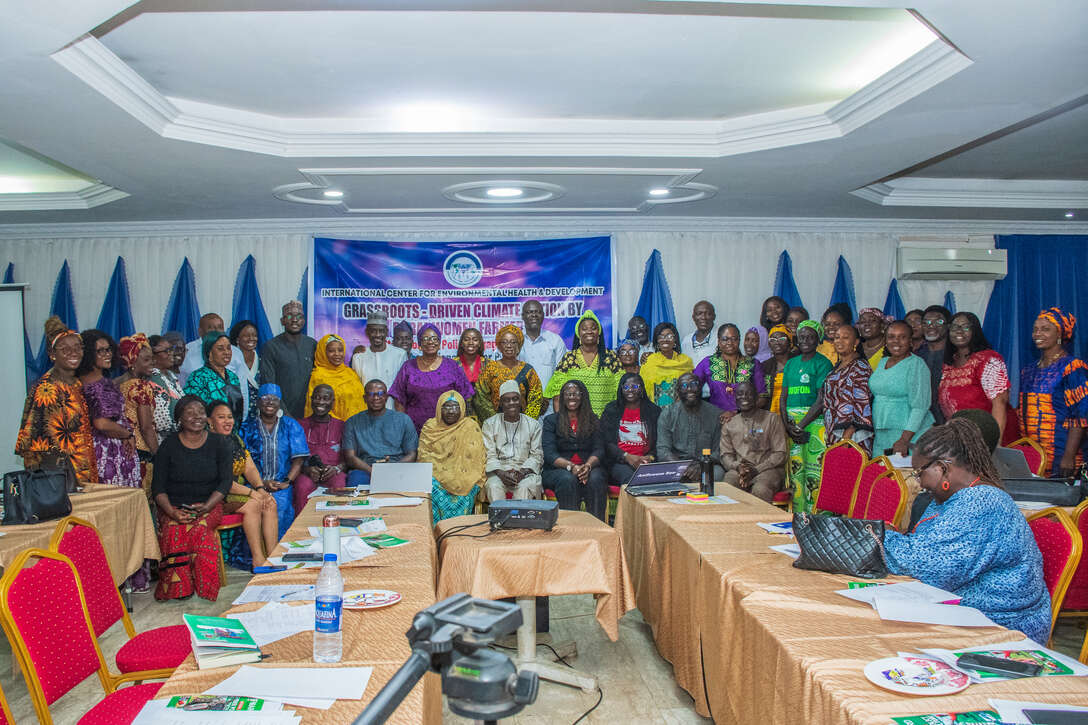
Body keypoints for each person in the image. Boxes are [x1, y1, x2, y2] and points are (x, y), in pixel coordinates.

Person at [883, 419, 1051, 645]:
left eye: (920, 472)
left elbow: (929, 567)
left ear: (943, 468)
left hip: (1003, 625)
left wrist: (878, 535)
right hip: (966, 611)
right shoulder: (947, 498)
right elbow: (924, 551)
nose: (919, 482)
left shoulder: (982, 502)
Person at [151, 395, 232, 601]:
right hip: (174, 506)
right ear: (179, 418)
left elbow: (225, 483)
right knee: (173, 529)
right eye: (190, 413)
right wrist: (172, 512)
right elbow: (158, 488)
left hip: (209, 504)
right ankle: (179, 589)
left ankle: (206, 589)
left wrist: (206, 507)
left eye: (201, 412)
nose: (197, 417)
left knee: (201, 529)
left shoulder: (219, 443)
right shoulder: (168, 446)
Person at [16, 316, 97, 482]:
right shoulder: (48, 390)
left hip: (83, 474)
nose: (73, 352)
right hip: (63, 481)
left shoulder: (75, 384)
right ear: (52, 354)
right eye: (64, 349)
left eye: (77, 347)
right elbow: (46, 448)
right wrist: (63, 484)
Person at [206, 400, 278, 569]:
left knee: (270, 502)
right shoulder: (208, 443)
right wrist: (253, 493)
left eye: (230, 417)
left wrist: (260, 488)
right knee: (253, 504)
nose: (227, 421)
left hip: (236, 491)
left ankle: (274, 556)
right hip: (215, 495)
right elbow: (223, 482)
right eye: (221, 417)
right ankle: (258, 560)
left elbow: (249, 466)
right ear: (210, 421)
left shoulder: (234, 438)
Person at [1020, 307, 1088, 477]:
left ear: (1060, 334)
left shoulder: (1073, 368)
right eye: (1035, 329)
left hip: (1062, 454)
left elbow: (1080, 416)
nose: (1037, 334)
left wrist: (1069, 456)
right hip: (1032, 456)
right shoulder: (1028, 370)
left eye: (1045, 329)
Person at [239, 384, 310, 538]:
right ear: (257, 402)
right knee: (255, 506)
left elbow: (298, 459)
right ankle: (252, 557)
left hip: (281, 483)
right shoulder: (246, 427)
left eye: (274, 399)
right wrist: (261, 484)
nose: (270, 402)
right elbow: (242, 462)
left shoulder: (291, 425)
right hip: (252, 485)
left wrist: (287, 481)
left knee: (281, 503)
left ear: (279, 403)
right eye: (265, 398)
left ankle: (279, 551)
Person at [780, 320, 833, 513]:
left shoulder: (824, 363)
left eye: (811, 336)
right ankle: (798, 517)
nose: (806, 340)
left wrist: (800, 426)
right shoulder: (791, 364)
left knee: (814, 474)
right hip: (793, 425)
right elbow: (783, 397)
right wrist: (788, 426)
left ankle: (815, 518)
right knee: (796, 473)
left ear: (818, 339)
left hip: (813, 423)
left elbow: (821, 400)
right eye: (802, 336)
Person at [79, 329, 140, 487]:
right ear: (87, 355)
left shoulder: (83, 381)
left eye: (108, 349)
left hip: (98, 449)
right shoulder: (98, 384)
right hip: (109, 450)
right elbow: (102, 423)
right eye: (100, 351)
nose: (107, 354)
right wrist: (127, 435)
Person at [389, 324, 475, 432]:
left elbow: (464, 398)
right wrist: (404, 427)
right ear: (419, 344)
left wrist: (459, 427)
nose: (430, 342)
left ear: (439, 344)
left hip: (448, 430)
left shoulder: (452, 366)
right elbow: (399, 400)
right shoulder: (408, 367)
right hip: (414, 431)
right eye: (425, 339)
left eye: (434, 338)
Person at [938, 312, 1011, 439]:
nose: (959, 331)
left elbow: (1000, 402)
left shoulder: (988, 359)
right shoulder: (949, 363)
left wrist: (996, 444)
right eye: (954, 327)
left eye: (966, 327)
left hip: (988, 436)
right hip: (962, 437)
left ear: (975, 331)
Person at [542, 380, 608, 521]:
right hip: (558, 470)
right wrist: (571, 466)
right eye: (568, 393)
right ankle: (570, 528)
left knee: (596, 478)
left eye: (576, 393)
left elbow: (599, 449)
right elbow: (549, 453)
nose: (572, 397)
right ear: (562, 397)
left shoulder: (593, 419)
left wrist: (588, 466)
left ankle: (597, 527)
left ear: (582, 396)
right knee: (568, 479)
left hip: (588, 466)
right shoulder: (551, 421)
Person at [419, 391, 486, 524]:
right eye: (447, 407)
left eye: (455, 407)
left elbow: (476, 458)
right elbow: (424, 456)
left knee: (468, 488)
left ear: (462, 408)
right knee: (430, 487)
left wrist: (457, 478)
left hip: (465, 477)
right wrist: (445, 476)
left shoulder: (470, 426)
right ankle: (436, 534)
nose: (451, 411)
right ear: (439, 409)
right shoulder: (430, 427)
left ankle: (458, 534)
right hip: (437, 478)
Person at [869, 320, 934, 456]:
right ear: (885, 340)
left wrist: (904, 440)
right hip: (882, 433)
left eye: (902, 337)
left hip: (909, 434)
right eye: (891, 337)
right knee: (880, 474)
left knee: (905, 476)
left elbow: (920, 407)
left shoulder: (917, 364)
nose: (896, 341)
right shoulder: (882, 362)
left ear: (910, 341)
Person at [544, 310, 622, 416]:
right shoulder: (569, 358)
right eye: (584, 329)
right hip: (575, 424)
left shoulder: (611, 357)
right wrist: (561, 421)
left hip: (605, 423)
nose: (589, 331)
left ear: (598, 332)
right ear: (578, 334)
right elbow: (558, 395)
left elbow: (621, 392)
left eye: (593, 328)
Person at [342, 380, 419, 486]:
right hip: (366, 470)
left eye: (380, 394)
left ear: (387, 397)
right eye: (371, 394)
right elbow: (350, 457)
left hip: (397, 468)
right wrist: (373, 472)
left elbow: (412, 454)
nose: (376, 398)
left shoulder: (403, 420)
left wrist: (392, 469)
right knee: (355, 481)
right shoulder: (352, 422)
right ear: (364, 398)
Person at [720, 381, 787, 502]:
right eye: (740, 394)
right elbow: (726, 455)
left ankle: (760, 521)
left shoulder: (772, 419)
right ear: (735, 398)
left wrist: (756, 470)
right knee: (727, 486)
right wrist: (738, 467)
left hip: (768, 469)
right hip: (740, 470)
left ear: (756, 397)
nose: (744, 397)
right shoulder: (730, 424)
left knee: (761, 489)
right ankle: (732, 520)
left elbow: (780, 454)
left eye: (749, 394)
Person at [481, 381, 543, 501]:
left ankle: (519, 520)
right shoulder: (489, 424)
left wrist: (522, 472)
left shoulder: (533, 425)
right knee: (494, 486)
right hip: (498, 472)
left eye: (515, 399)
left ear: (520, 401)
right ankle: (498, 519)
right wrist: (501, 473)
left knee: (524, 487)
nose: (511, 403)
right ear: (501, 403)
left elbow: (537, 455)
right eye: (507, 400)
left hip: (526, 472)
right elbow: (489, 454)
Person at [116, 334, 162, 494]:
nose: (152, 364)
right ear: (132, 362)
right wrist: (158, 455)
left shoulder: (116, 383)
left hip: (121, 450)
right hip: (142, 451)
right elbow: (146, 427)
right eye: (147, 360)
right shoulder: (141, 387)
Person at [657, 372, 724, 481]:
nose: (690, 389)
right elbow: (663, 450)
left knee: (718, 474)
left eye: (694, 384)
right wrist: (682, 467)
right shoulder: (668, 414)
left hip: (705, 463)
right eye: (684, 386)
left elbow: (719, 451)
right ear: (678, 391)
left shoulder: (715, 414)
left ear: (701, 387)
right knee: (660, 474)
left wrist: (702, 465)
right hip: (676, 464)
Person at [819, 324, 874, 454]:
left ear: (856, 342)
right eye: (837, 337)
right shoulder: (839, 365)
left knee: (851, 472)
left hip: (852, 437)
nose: (840, 341)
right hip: (834, 433)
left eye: (845, 338)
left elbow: (861, 404)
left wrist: (846, 438)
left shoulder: (860, 367)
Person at [600, 372, 660, 487]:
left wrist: (650, 457)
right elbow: (606, 442)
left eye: (635, 386)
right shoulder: (611, 410)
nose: (630, 390)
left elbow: (659, 442)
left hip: (646, 461)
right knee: (630, 479)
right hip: (619, 461)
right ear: (621, 389)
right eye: (626, 387)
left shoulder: (653, 411)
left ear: (641, 389)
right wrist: (626, 456)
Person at [258, 301, 317, 420]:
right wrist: (283, 413)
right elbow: (269, 384)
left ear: (304, 321)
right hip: (281, 415)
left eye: (299, 316)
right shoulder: (271, 347)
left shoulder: (312, 345)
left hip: (310, 415)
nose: (294, 320)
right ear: (282, 321)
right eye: (289, 316)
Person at [693, 323, 767, 416]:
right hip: (716, 419)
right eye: (725, 339)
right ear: (719, 342)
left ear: (739, 340)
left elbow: (763, 397)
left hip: (746, 419)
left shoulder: (753, 363)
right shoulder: (707, 363)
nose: (730, 342)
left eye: (734, 339)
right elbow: (692, 386)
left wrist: (739, 412)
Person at [475, 325, 544, 420]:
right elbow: (481, 396)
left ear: (518, 345)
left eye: (513, 342)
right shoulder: (490, 368)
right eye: (504, 342)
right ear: (499, 346)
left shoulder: (528, 370)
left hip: (522, 424)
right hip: (496, 425)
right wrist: (495, 421)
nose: (509, 345)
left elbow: (536, 397)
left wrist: (527, 422)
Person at [296, 384, 347, 512]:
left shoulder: (342, 425)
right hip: (307, 472)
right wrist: (307, 469)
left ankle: (337, 525)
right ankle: (302, 528)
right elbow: (292, 457)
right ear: (311, 399)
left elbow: (349, 458)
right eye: (317, 398)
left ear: (333, 402)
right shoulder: (299, 425)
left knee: (339, 485)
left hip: (333, 472)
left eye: (326, 398)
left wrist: (337, 468)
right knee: (303, 486)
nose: (321, 402)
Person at [349, 311, 406, 410]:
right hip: (366, 414)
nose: (377, 335)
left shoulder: (399, 355)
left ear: (387, 332)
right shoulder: (359, 357)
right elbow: (357, 389)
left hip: (392, 412)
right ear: (367, 332)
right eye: (373, 331)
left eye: (381, 331)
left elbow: (402, 389)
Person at [179, 313, 248, 392]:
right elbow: (181, 383)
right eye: (210, 328)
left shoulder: (235, 352)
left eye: (220, 327)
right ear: (200, 331)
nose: (216, 331)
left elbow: (242, 388)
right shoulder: (187, 351)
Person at [184, 332, 244, 423]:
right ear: (209, 353)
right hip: (208, 433)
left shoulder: (233, 377)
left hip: (232, 431)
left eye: (228, 348)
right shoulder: (198, 377)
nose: (227, 352)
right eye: (220, 349)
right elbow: (192, 411)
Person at [519, 300, 567, 413]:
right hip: (520, 406)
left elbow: (561, 375)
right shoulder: (514, 341)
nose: (534, 315)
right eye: (529, 312)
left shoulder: (555, 341)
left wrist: (546, 397)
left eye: (538, 312)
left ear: (543, 316)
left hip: (549, 407)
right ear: (522, 316)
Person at [305, 334, 367, 421]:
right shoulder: (318, 376)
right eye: (331, 351)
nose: (337, 354)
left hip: (358, 426)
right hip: (334, 429)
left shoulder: (350, 373)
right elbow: (317, 408)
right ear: (323, 352)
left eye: (340, 350)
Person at [638, 322, 694, 406]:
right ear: (656, 341)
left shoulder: (685, 361)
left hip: (680, 410)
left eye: (669, 336)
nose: (665, 339)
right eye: (661, 336)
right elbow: (642, 390)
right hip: (655, 410)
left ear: (675, 340)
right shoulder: (649, 361)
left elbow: (690, 388)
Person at [918, 305, 952, 425]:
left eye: (939, 321)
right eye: (926, 322)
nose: (931, 325)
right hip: (923, 422)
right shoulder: (917, 356)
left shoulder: (955, 356)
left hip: (951, 421)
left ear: (948, 326)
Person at [149, 334, 183, 443]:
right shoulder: (153, 379)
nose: (172, 354)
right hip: (166, 441)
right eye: (166, 351)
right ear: (152, 356)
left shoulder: (171, 376)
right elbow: (162, 422)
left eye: (171, 349)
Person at [229, 320, 261, 423]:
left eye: (254, 335)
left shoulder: (262, 360)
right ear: (237, 339)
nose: (251, 339)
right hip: (236, 415)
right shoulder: (230, 361)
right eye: (247, 335)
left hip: (259, 418)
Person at [764, 325, 794, 414]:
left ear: (790, 342)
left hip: (794, 412)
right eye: (772, 340)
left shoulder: (798, 362)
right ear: (769, 344)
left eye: (782, 339)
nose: (777, 342)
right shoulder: (764, 366)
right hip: (770, 414)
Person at [684, 300, 718, 370]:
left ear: (714, 316)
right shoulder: (686, 341)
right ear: (693, 317)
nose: (703, 317)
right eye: (699, 314)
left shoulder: (722, 339)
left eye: (708, 313)